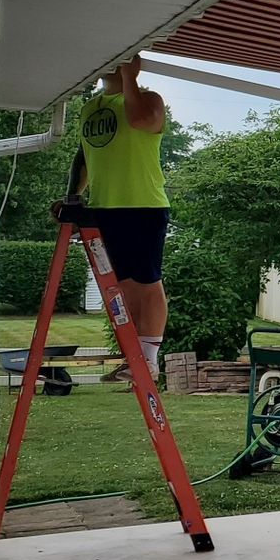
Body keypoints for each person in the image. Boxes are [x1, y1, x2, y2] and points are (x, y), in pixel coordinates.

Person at [59, 56, 170, 382]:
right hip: (104, 208)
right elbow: (85, 157)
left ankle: (149, 360)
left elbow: (139, 121)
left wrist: (130, 79)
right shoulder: (90, 108)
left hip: (143, 206)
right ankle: (132, 357)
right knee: (121, 287)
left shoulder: (149, 100)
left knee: (147, 283)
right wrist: (72, 197)